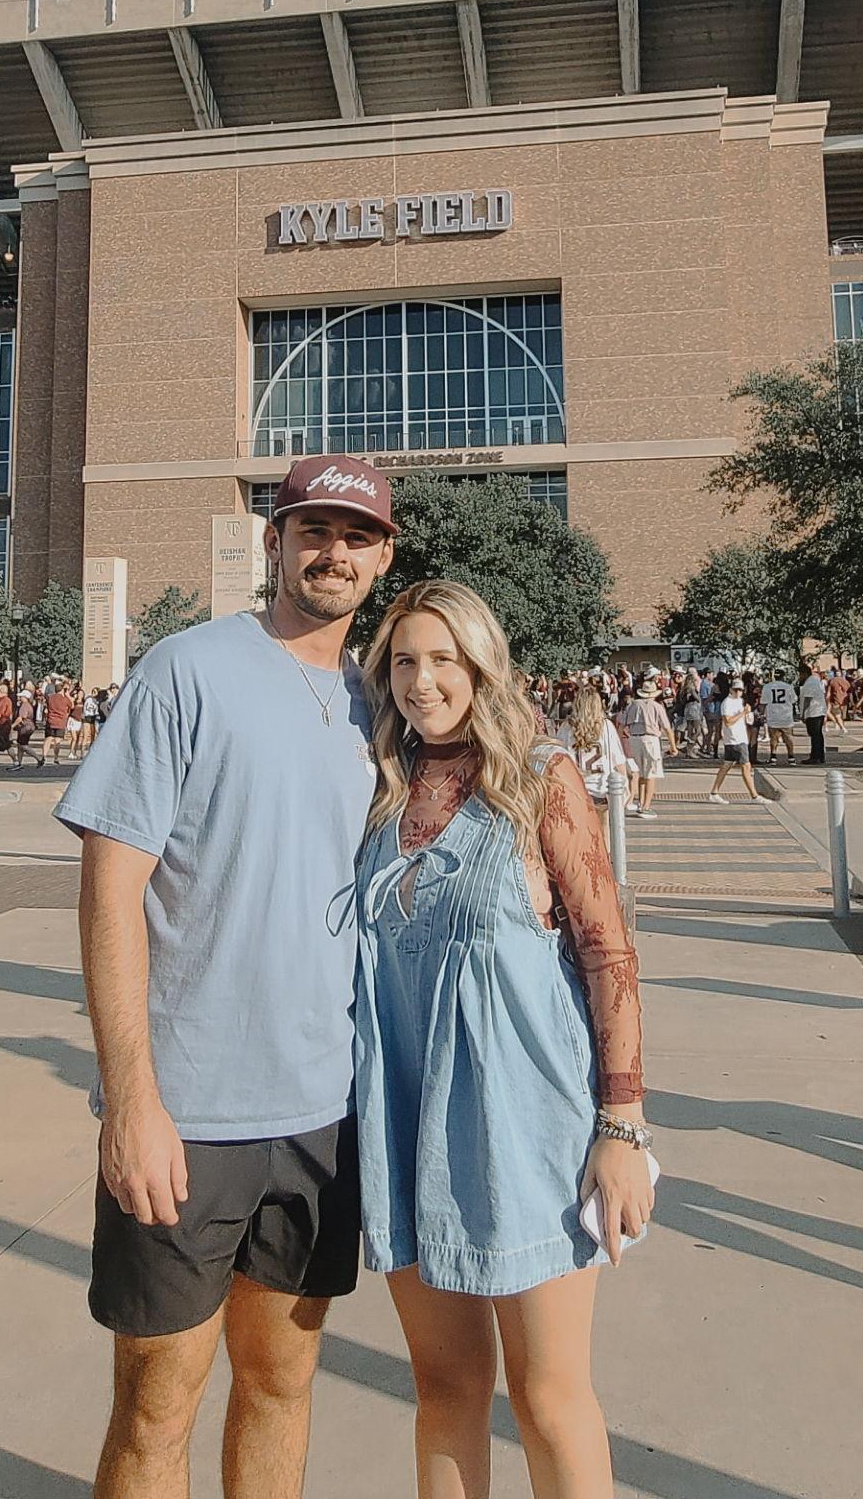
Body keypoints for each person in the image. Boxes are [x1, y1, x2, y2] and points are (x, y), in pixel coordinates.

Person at [53, 454, 399, 1499]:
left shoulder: (382, 703)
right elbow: (111, 888)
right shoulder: (186, 669)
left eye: (356, 535)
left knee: (281, 1382)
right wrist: (132, 1098)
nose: (332, 551)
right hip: (188, 1110)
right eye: (312, 529)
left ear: (383, 557)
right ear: (274, 540)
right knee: (157, 1405)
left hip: (321, 1111)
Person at [353, 579, 651, 1499]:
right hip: (407, 1126)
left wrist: (622, 1126)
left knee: (547, 1396)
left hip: (527, 1131)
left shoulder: (537, 775)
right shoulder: (381, 790)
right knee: (444, 1389)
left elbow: (607, 949)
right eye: (404, 660)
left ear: (482, 665)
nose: (422, 680)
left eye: (443, 658)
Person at [557, 682, 633, 841]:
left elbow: (559, 758)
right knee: (604, 832)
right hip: (603, 788)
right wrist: (625, 783)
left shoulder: (566, 727)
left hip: (577, 789)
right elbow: (617, 760)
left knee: (580, 834)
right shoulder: (606, 726)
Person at [617, 675, 677, 819]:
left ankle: (640, 802)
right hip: (650, 739)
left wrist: (619, 742)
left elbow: (622, 725)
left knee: (641, 773)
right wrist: (673, 746)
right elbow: (667, 728)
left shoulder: (633, 705)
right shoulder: (657, 706)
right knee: (651, 773)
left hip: (634, 739)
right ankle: (646, 807)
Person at [706, 673, 760, 803]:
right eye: (736, 690)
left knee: (727, 764)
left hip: (739, 737)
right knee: (746, 766)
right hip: (735, 739)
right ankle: (754, 796)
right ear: (731, 689)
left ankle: (714, 792)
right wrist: (743, 713)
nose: (738, 692)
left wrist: (748, 715)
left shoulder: (740, 701)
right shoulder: (727, 703)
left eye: (740, 690)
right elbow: (728, 721)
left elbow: (743, 719)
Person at [760, 669, 798, 766]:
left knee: (773, 738)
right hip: (786, 716)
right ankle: (791, 757)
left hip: (773, 715)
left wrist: (762, 714)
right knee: (788, 737)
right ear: (783, 676)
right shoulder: (788, 687)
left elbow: (763, 702)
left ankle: (773, 757)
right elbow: (794, 700)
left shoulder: (767, 687)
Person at [797, 662, 829, 766]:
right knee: (818, 735)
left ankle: (815, 756)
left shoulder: (810, 683)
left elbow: (808, 699)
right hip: (818, 711)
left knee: (815, 735)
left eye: (800, 674)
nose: (800, 677)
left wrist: (802, 713)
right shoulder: (815, 681)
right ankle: (819, 756)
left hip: (813, 711)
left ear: (804, 673)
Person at [41, 677, 76, 766]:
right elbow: (72, 706)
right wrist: (67, 694)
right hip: (60, 722)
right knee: (57, 741)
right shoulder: (64, 699)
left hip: (50, 721)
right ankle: (56, 758)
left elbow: (46, 705)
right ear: (62, 690)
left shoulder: (50, 698)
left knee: (48, 739)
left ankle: (44, 756)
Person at [13, 682, 39, 767]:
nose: (20, 698)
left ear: (25, 697)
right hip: (29, 727)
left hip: (25, 727)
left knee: (23, 745)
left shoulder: (24, 705)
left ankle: (38, 758)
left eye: (21, 696)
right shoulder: (29, 705)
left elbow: (21, 717)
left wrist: (12, 725)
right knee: (20, 745)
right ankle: (19, 762)